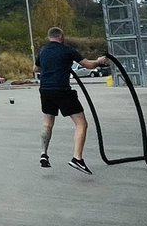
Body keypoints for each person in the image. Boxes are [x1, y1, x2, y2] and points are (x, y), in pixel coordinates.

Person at [34, 26, 109, 175]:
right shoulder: (67, 50)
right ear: (61, 36)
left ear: (50, 37)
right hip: (62, 90)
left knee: (47, 123)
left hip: (45, 90)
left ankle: (44, 154)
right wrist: (99, 61)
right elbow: (88, 65)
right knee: (81, 123)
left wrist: (51, 68)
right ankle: (77, 158)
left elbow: (35, 68)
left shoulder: (43, 51)